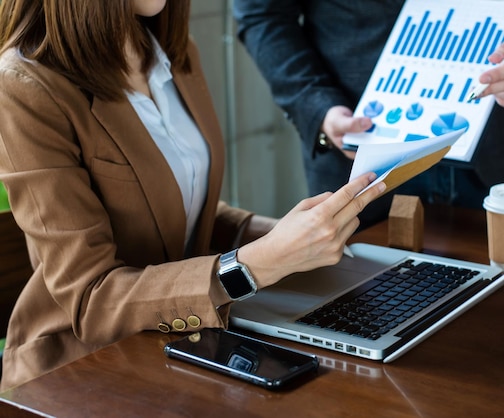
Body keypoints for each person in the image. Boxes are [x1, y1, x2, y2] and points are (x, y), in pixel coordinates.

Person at [0, 0, 386, 390]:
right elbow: (91, 301)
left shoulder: (168, 48)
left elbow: (180, 211)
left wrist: (296, 238)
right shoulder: (23, 86)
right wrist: (257, 263)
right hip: (83, 370)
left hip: (184, 345)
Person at [234, 0, 504, 227]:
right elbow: (263, 14)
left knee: (502, 322)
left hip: (490, 149)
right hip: (359, 160)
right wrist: (317, 106)